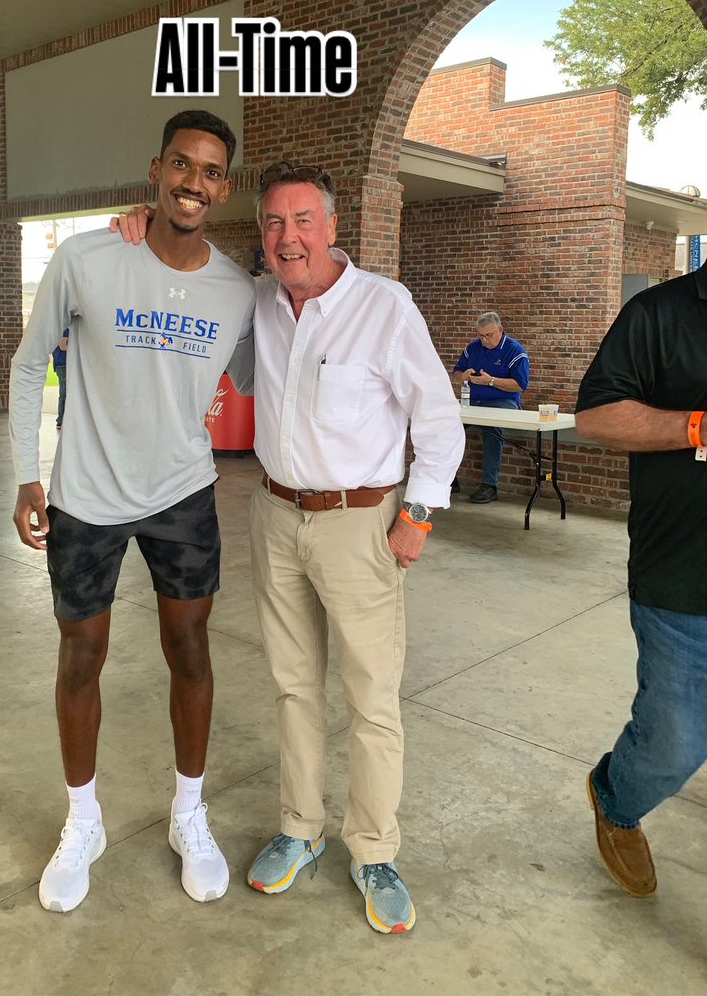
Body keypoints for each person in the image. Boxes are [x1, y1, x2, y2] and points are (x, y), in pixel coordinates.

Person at [113, 161, 465, 934]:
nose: (287, 238)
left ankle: (372, 849)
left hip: (360, 523)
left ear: (332, 228)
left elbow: (438, 422)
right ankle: (299, 827)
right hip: (274, 516)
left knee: (370, 697)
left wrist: (419, 514)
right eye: (273, 223)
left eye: (302, 221)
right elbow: (194, 318)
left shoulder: (384, 307)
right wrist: (144, 240)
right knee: (292, 685)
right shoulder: (259, 303)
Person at [9, 110, 255, 915]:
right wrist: (23, 476)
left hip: (182, 493)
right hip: (84, 497)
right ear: (156, 170)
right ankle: (83, 821)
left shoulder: (234, 289)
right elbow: (23, 366)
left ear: (225, 187)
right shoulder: (87, 258)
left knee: (190, 650)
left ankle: (189, 812)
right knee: (81, 658)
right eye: (181, 165)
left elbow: (272, 364)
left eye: (211, 171)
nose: (194, 182)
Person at [575, 261, 707, 900]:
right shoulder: (659, 313)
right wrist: (696, 425)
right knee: (676, 742)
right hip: (683, 577)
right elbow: (596, 417)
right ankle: (615, 795)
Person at [451, 312, 530, 503]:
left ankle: (489, 485)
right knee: (447, 427)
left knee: (492, 429)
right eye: (481, 335)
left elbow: (520, 385)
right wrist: (464, 376)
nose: (484, 340)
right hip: (472, 401)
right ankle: (448, 480)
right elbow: (456, 374)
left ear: (500, 330)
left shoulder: (515, 350)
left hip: (503, 402)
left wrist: (491, 381)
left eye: (489, 335)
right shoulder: (472, 348)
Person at [52, 328, 68, 429]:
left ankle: (62, 419)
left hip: (60, 364)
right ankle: (61, 420)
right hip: (63, 364)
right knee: (65, 393)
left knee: (64, 393)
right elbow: (63, 346)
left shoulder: (57, 329)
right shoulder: (65, 329)